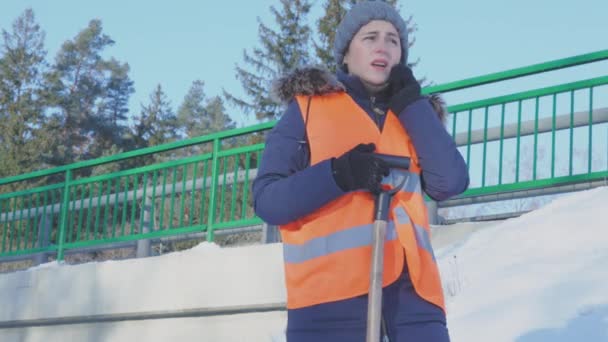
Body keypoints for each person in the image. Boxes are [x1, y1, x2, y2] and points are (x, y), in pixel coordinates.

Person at [253, 1, 469, 341]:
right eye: (370, 37)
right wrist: (338, 175)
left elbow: (450, 182)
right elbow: (268, 200)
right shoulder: (308, 110)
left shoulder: (415, 115)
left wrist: (412, 103)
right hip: (328, 309)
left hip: (414, 307)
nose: (383, 46)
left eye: (393, 40)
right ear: (346, 54)